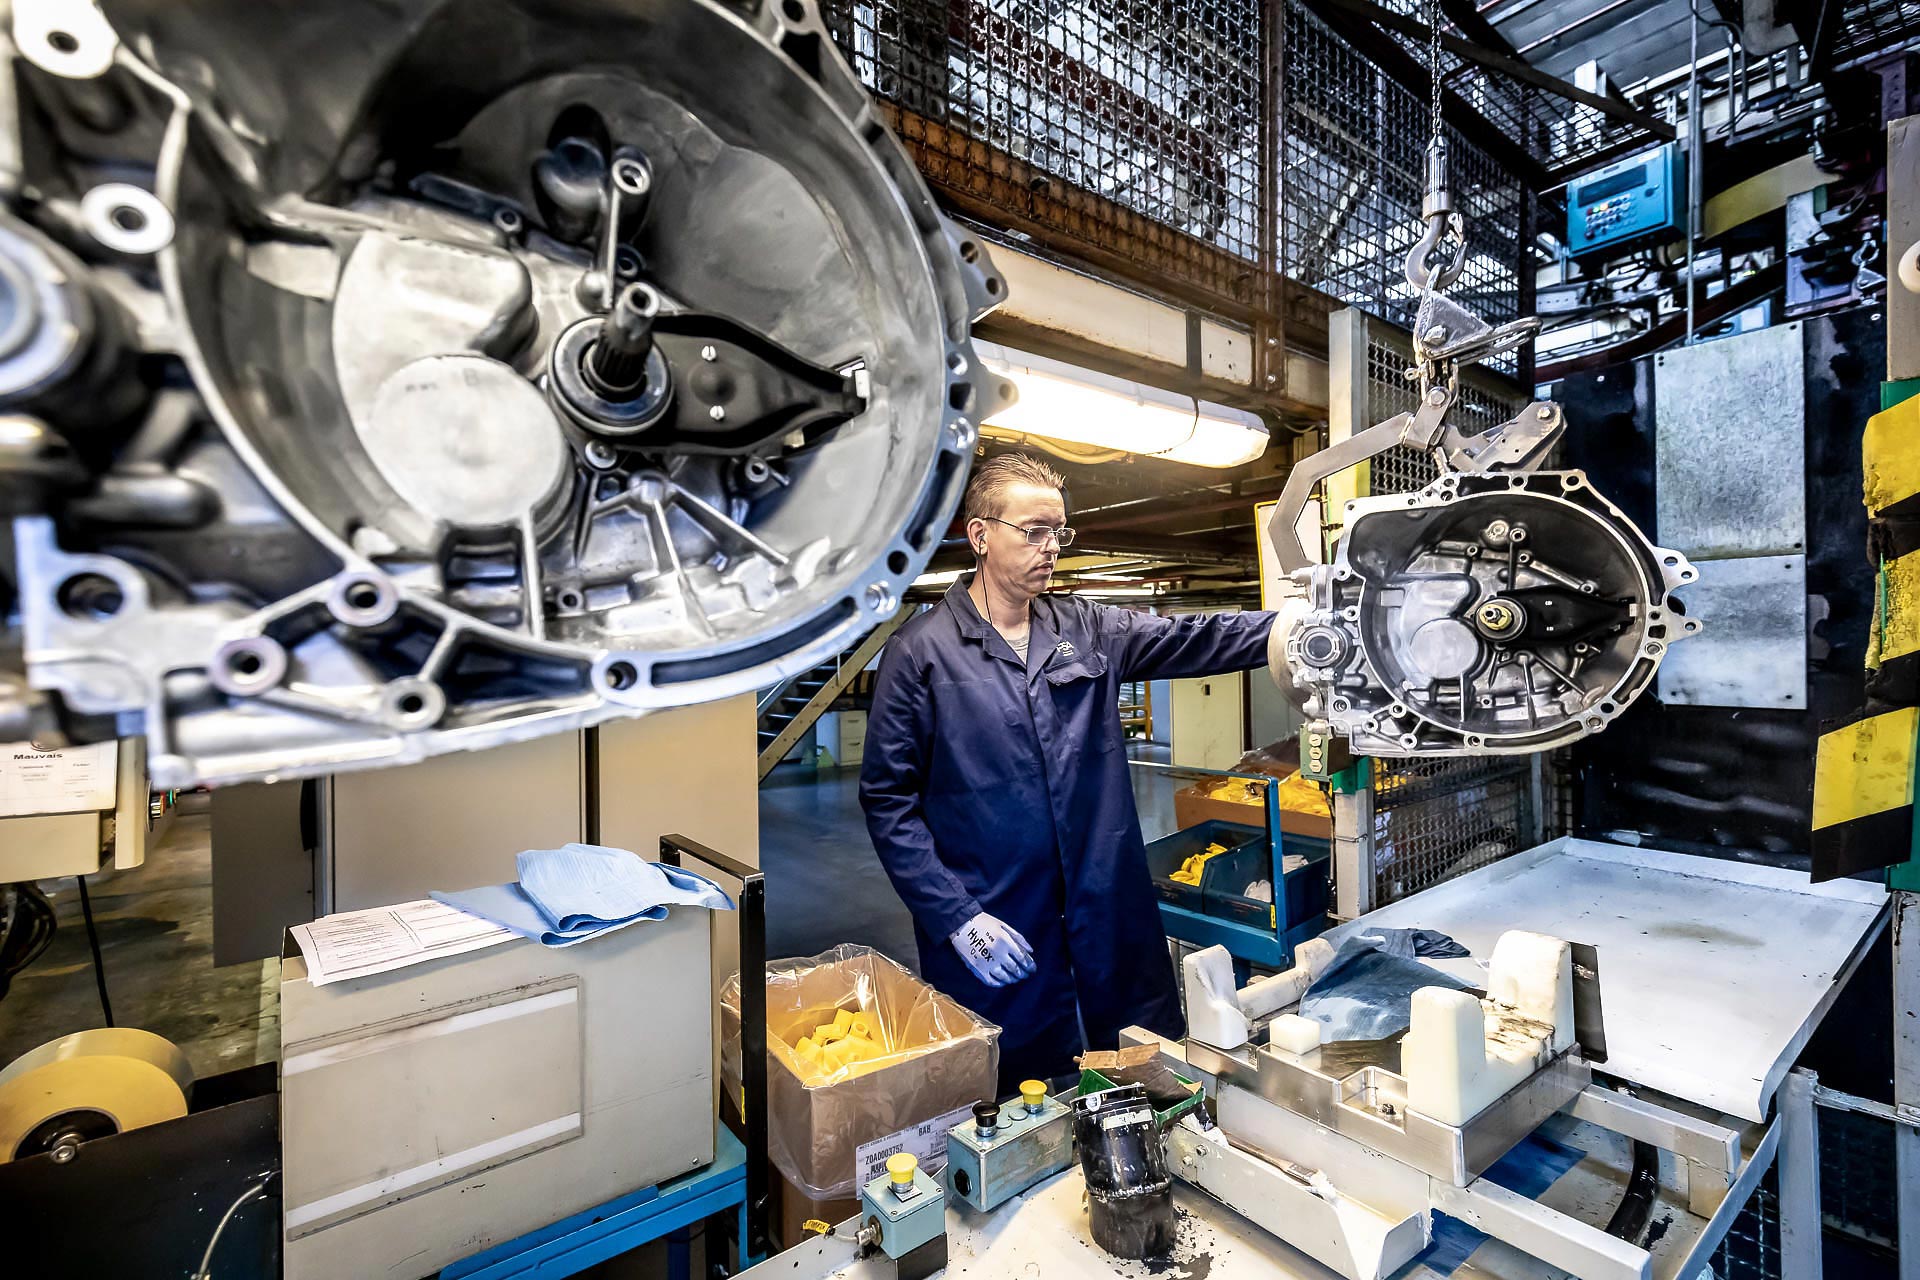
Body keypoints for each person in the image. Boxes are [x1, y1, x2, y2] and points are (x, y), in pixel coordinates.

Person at [860, 452, 1277, 1089]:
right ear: (980, 535)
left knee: (1143, 1065)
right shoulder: (920, 655)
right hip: (996, 913)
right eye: (1034, 531)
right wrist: (957, 919)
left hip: (1106, 902)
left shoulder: (1088, 630)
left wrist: (1292, 629)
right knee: (1015, 1085)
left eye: (1059, 532)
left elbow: (1197, 636)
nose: (1051, 547)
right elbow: (889, 803)